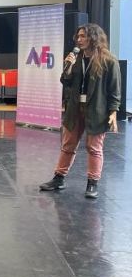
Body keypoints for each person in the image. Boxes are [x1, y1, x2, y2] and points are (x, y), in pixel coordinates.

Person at [39, 24, 121, 198]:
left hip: (97, 110)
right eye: (78, 36)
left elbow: (114, 90)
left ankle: (92, 183)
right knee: (68, 145)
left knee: (94, 148)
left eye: (83, 36)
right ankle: (59, 179)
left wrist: (113, 112)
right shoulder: (76, 58)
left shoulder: (108, 61)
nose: (79, 40)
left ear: (94, 37)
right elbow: (65, 81)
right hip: (75, 108)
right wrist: (68, 67)